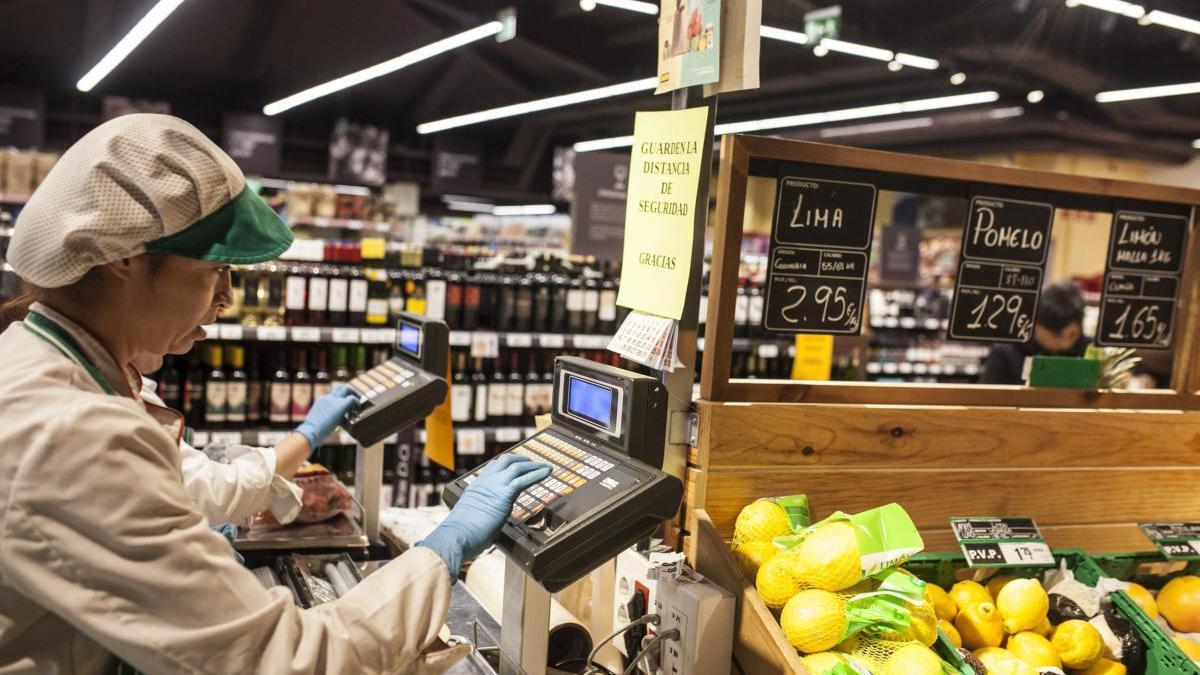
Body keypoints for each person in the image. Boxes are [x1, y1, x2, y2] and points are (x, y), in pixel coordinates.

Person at [0, 114, 549, 674]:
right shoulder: (72, 432)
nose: (228, 297)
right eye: (216, 269)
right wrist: (443, 552)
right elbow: (283, 661)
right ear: (125, 258)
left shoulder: (39, 365)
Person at [980, 282, 1089, 385]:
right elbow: (985, 399)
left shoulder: (1089, 350)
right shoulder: (1005, 352)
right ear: (1036, 324)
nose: (1064, 343)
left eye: (1072, 335)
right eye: (1056, 335)